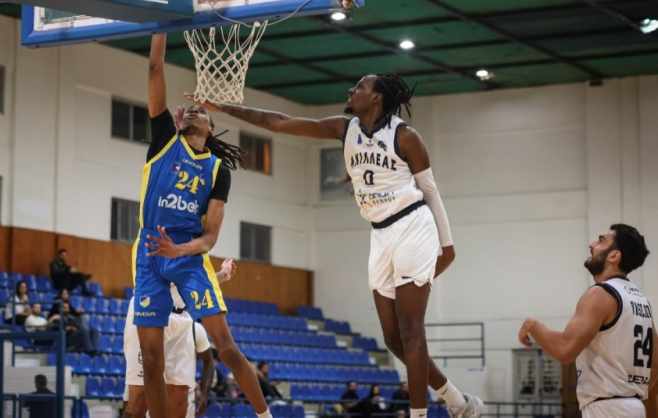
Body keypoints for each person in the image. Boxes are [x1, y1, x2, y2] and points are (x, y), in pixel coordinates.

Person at [186, 73, 483, 418]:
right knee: (391, 338)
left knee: (410, 329)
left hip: (413, 224)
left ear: (376, 99)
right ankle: (458, 402)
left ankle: (420, 415)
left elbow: (430, 192)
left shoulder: (405, 136)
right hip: (380, 233)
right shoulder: (345, 128)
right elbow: (279, 122)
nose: (351, 90)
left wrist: (447, 246)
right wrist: (222, 108)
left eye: (360, 87)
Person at [132, 33, 272, 418]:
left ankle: (266, 416)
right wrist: (163, 21)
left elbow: (210, 237)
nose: (193, 111)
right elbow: (154, 66)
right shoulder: (163, 138)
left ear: (211, 129)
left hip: (188, 253)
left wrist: (180, 250)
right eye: (190, 110)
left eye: (202, 112)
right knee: (151, 355)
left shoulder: (217, 171)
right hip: (148, 250)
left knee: (225, 346)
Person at [518, 224, 656, 418]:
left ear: (614, 256)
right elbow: (655, 365)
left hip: (608, 408)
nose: (591, 244)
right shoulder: (641, 300)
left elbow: (565, 349)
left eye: (601, 240)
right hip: (633, 407)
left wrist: (532, 324)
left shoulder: (600, 293)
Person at [123, 259, 235, 418]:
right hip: (149, 308)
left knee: (179, 393)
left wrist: (223, 274)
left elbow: (193, 280)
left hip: (181, 317)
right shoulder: (159, 239)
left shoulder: (194, 243)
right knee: (139, 397)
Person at [49, 289, 99, 355]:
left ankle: (94, 349)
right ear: (59, 308)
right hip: (66, 341)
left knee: (94, 329)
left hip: (76, 337)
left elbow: (77, 326)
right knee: (83, 329)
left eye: (67, 308)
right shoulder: (57, 317)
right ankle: (89, 350)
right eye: (64, 307)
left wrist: (74, 326)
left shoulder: (71, 316)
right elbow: (56, 330)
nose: (66, 309)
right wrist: (67, 328)